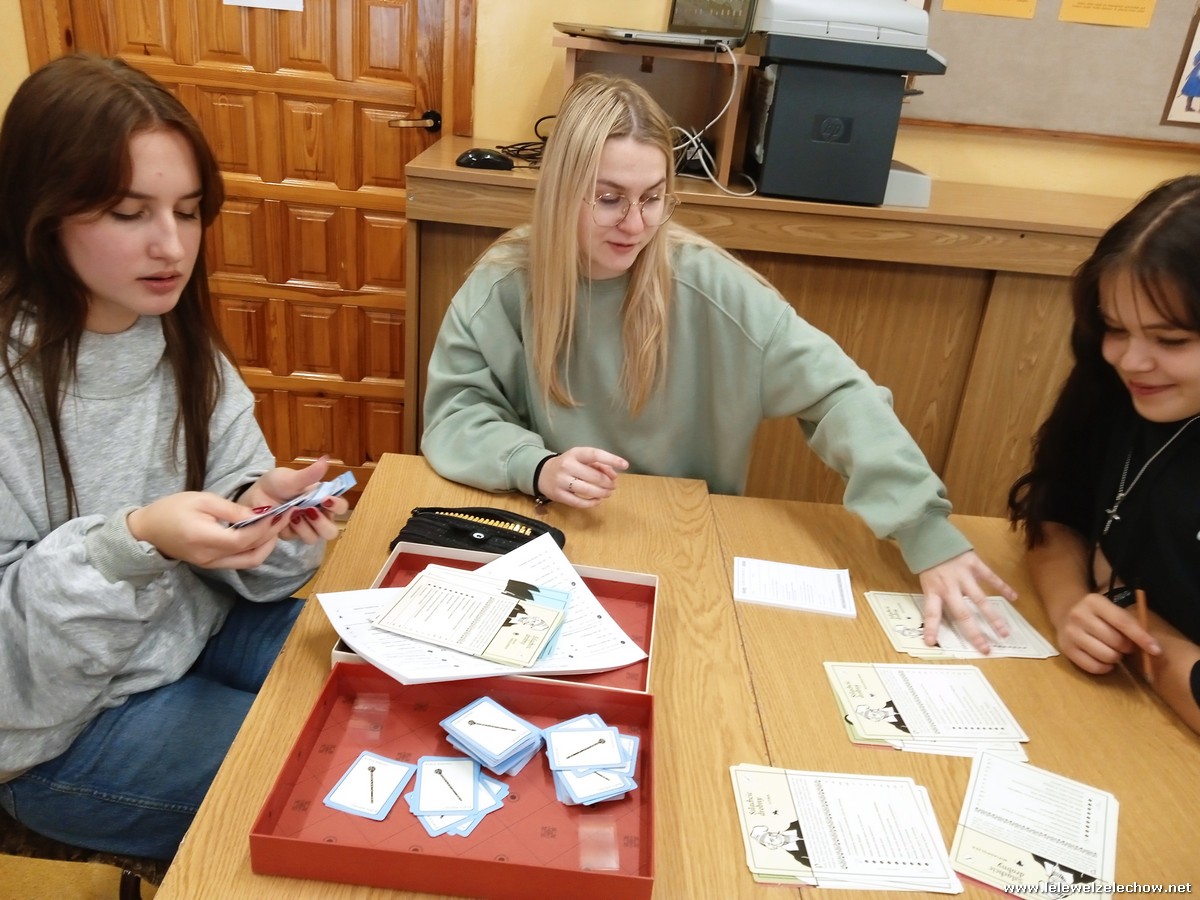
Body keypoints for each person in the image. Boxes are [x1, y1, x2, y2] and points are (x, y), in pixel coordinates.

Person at [421, 73, 1016, 651]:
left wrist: (923, 530)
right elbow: (455, 414)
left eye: (653, 198)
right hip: (551, 533)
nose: (635, 225)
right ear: (558, 192)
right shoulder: (503, 282)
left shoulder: (711, 285)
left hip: (685, 543)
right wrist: (537, 465)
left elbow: (839, 394)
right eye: (608, 199)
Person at [0, 54, 347, 859]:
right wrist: (134, 543)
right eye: (129, 212)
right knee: (338, 779)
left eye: (188, 212)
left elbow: (247, 566)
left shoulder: (179, 340)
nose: (172, 245)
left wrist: (261, 514)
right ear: (40, 215)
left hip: (196, 634)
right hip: (57, 730)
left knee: (390, 692)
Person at [1008, 175, 1200, 735]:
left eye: (1171, 341)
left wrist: (1125, 609)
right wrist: (1072, 604)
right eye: (1116, 329)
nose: (1132, 361)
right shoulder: (1117, 382)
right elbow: (1054, 509)